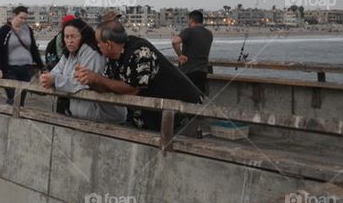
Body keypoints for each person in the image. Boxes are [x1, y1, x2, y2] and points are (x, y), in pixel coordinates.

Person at [75, 20, 203, 131]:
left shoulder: (140, 52)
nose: (97, 45)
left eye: (98, 42)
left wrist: (97, 78)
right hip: (152, 118)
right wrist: (90, 81)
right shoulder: (112, 58)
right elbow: (108, 85)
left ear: (108, 44)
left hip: (184, 114)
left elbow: (132, 89)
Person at [39, 18, 127, 123]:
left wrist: (55, 80)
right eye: (66, 37)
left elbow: (83, 82)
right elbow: (56, 72)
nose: (69, 40)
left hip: (103, 116)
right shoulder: (69, 54)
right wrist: (47, 78)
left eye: (73, 37)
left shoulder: (93, 53)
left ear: (83, 36)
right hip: (81, 116)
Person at [0, 6, 43, 105]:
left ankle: (16, 118)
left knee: (21, 100)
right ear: (14, 16)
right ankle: (9, 117)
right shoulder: (5, 30)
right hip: (10, 69)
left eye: (25, 18)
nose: (23, 21)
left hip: (26, 69)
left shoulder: (28, 30)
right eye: (21, 18)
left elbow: (33, 49)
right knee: (13, 97)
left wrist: (42, 66)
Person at [172, 10, 213, 94]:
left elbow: (175, 42)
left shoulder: (189, 31)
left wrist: (180, 55)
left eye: (188, 20)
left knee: (185, 97)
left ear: (191, 20)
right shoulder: (209, 34)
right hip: (202, 71)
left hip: (188, 71)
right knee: (198, 96)